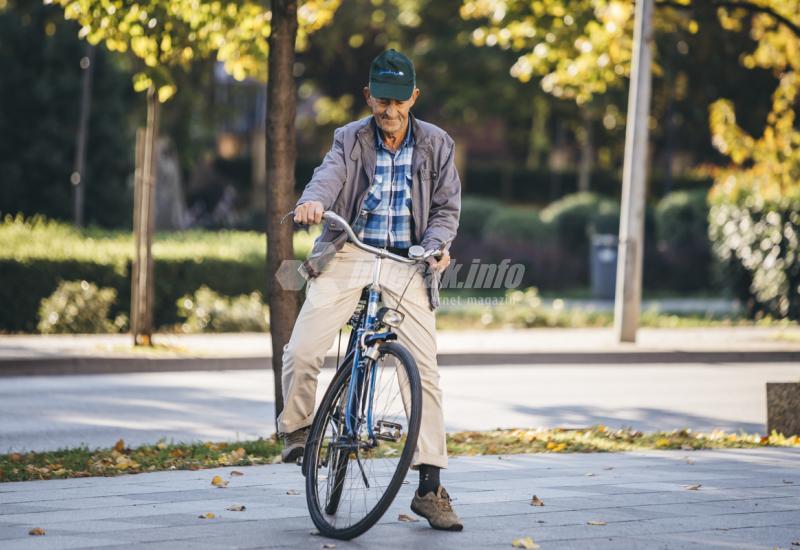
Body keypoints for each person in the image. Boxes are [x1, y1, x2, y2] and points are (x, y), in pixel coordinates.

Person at [278, 49, 463, 531]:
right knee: (301, 351)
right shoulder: (349, 138)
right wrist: (313, 203)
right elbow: (329, 177)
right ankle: (298, 432)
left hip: (408, 259)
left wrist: (437, 245)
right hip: (351, 250)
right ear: (369, 96)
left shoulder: (438, 144)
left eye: (400, 101)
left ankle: (429, 486)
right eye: (382, 100)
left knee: (424, 372)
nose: (391, 111)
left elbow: (446, 208)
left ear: (414, 98)